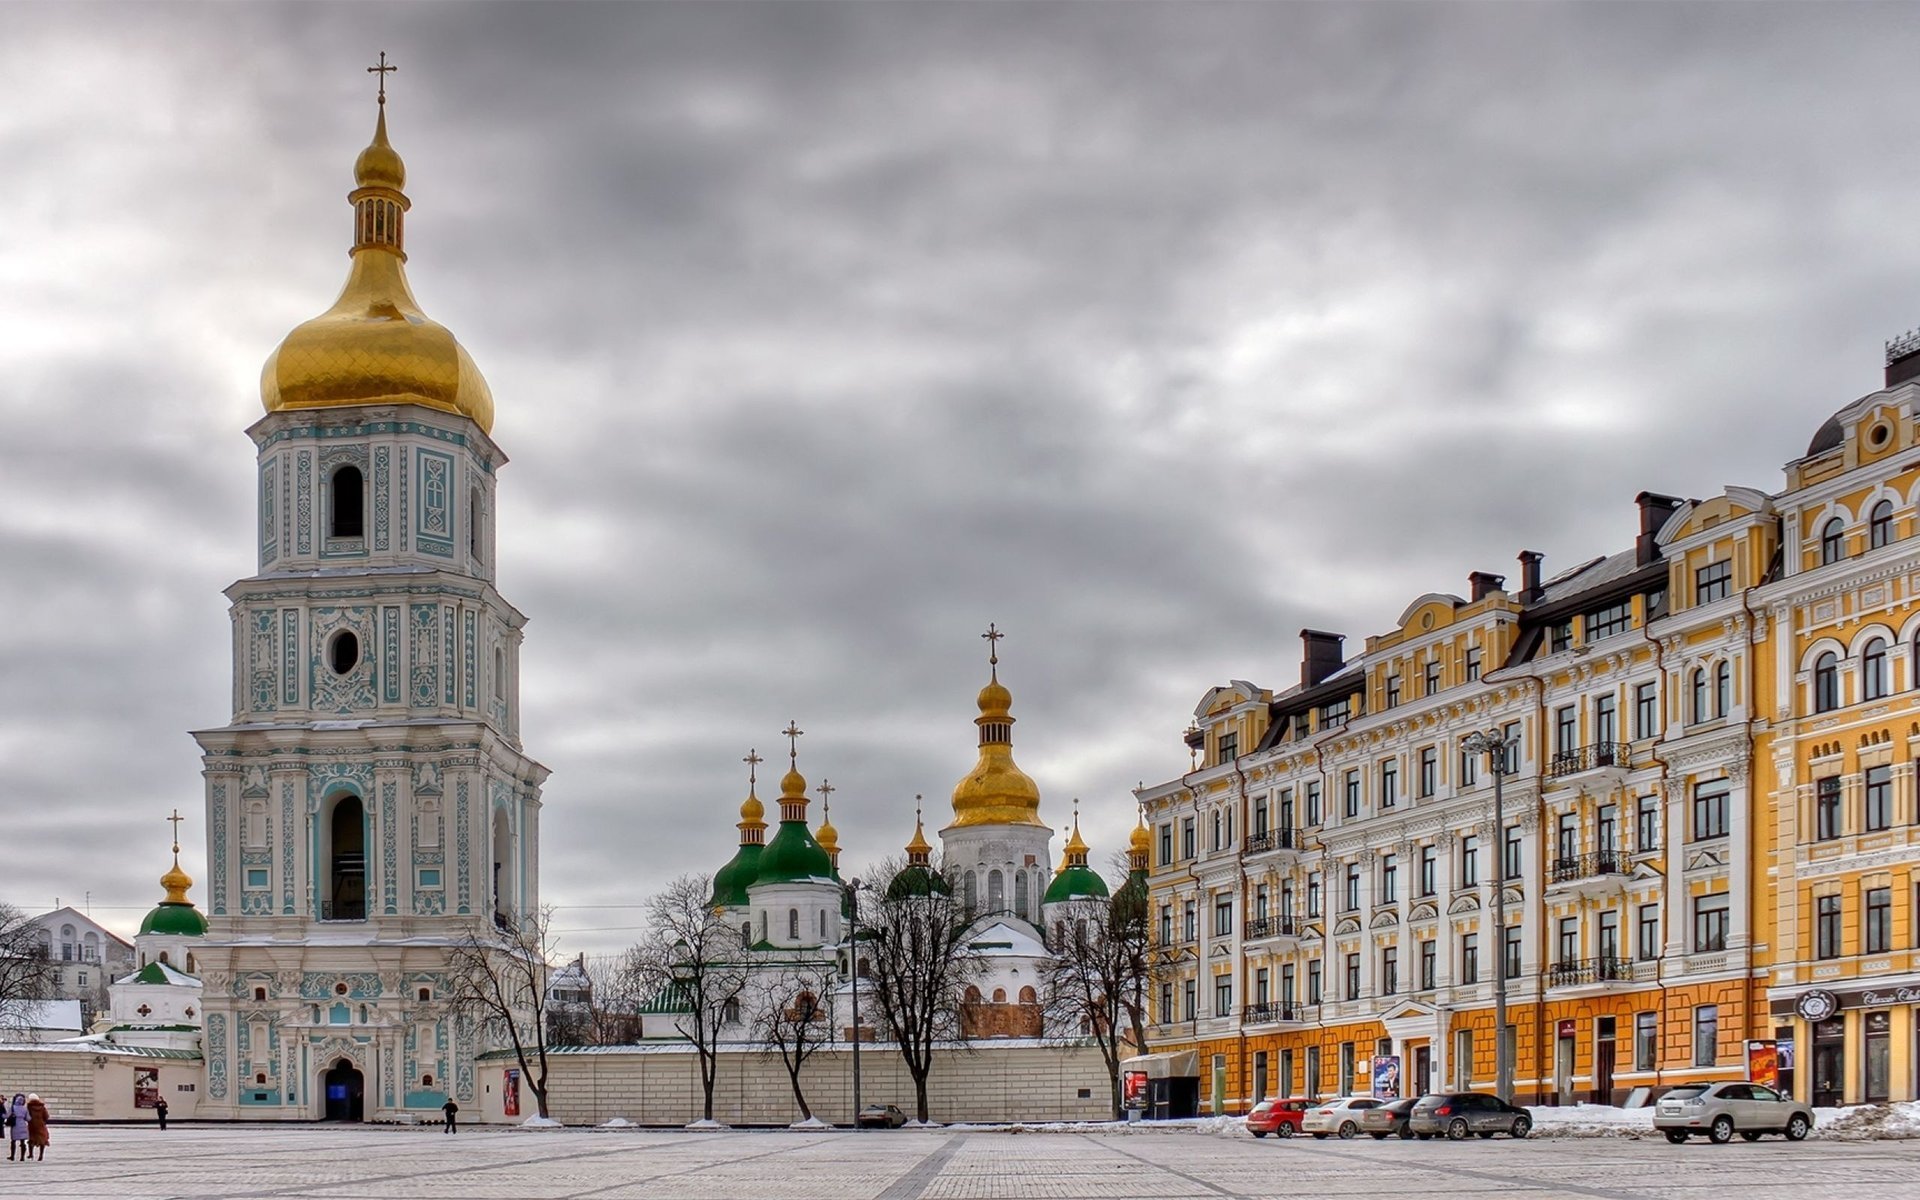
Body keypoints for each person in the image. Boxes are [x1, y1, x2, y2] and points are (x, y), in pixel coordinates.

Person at [24, 1094, 47, 1162]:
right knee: (42, 1140)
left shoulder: (29, 1107)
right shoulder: (42, 1107)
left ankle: (31, 1154)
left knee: (31, 1139)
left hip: (32, 1125)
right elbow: (46, 1116)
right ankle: (41, 1156)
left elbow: (27, 1116)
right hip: (41, 1125)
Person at [7, 1094, 23, 1163]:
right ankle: (22, 1157)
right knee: (22, 1142)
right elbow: (28, 1118)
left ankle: (12, 1156)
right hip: (23, 1126)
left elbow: (7, 1115)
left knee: (13, 1141)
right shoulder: (24, 1108)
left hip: (15, 1125)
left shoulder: (13, 1108)